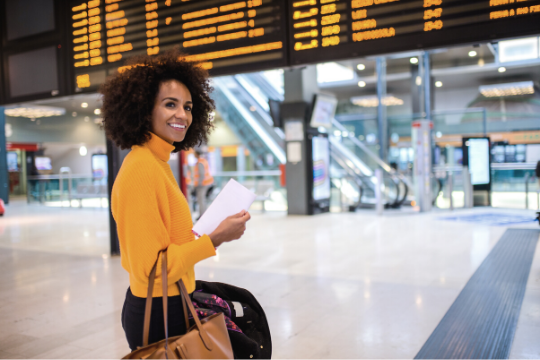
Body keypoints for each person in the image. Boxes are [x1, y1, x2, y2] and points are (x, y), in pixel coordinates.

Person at [100, 49, 251, 351]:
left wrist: (205, 233)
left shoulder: (157, 162)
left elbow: (166, 241)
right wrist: (215, 239)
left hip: (171, 301)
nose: (182, 114)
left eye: (188, 106)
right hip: (158, 310)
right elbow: (153, 266)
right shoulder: (142, 168)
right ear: (144, 109)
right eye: (170, 104)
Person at [194, 149, 214, 216]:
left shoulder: (200, 162)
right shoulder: (203, 161)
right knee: (202, 200)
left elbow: (201, 175)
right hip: (206, 183)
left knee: (201, 200)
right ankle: (203, 215)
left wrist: (198, 184)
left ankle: (202, 215)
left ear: (197, 154)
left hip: (202, 184)